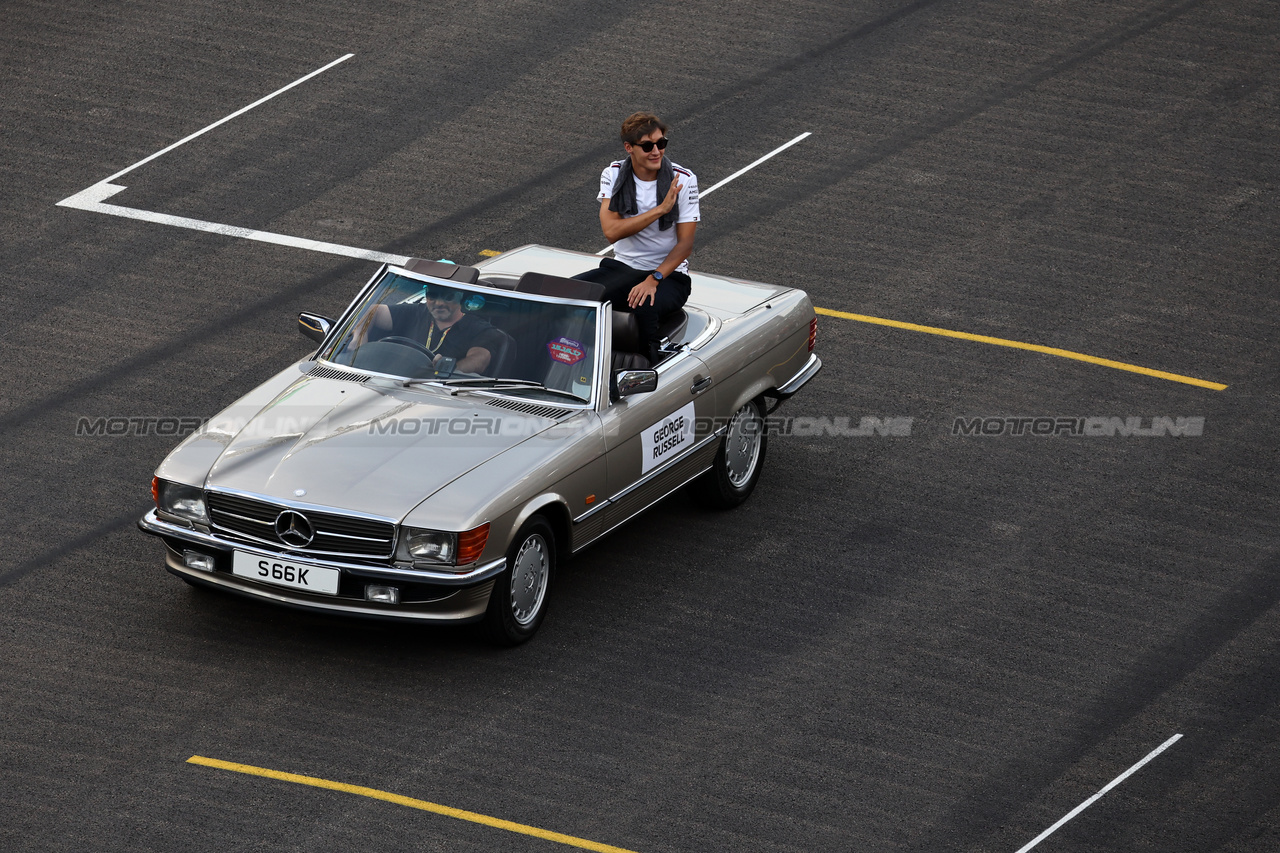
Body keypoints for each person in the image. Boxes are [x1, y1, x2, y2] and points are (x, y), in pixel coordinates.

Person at [575, 112, 700, 364]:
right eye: (647, 146)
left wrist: (653, 279)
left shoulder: (684, 180)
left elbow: (685, 244)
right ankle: (570, 357)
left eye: (661, 143)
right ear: (629, 148)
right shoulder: (613, 174)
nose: (656, 151)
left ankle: (648, 364)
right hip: (622, 268)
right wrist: (660, 210)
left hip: (669, 276)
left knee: (644, 303)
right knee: (568, 294)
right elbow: (611, 232)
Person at [355, 285, 505, 374]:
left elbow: (479, 360)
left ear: (460, 297)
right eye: (432, 296)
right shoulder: (417, 312)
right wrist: (358, 339)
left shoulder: (479, 328)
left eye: (448, 297)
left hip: (442, 391)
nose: (439, 303)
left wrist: (446, 370)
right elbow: (372, 311)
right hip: (398, 379)